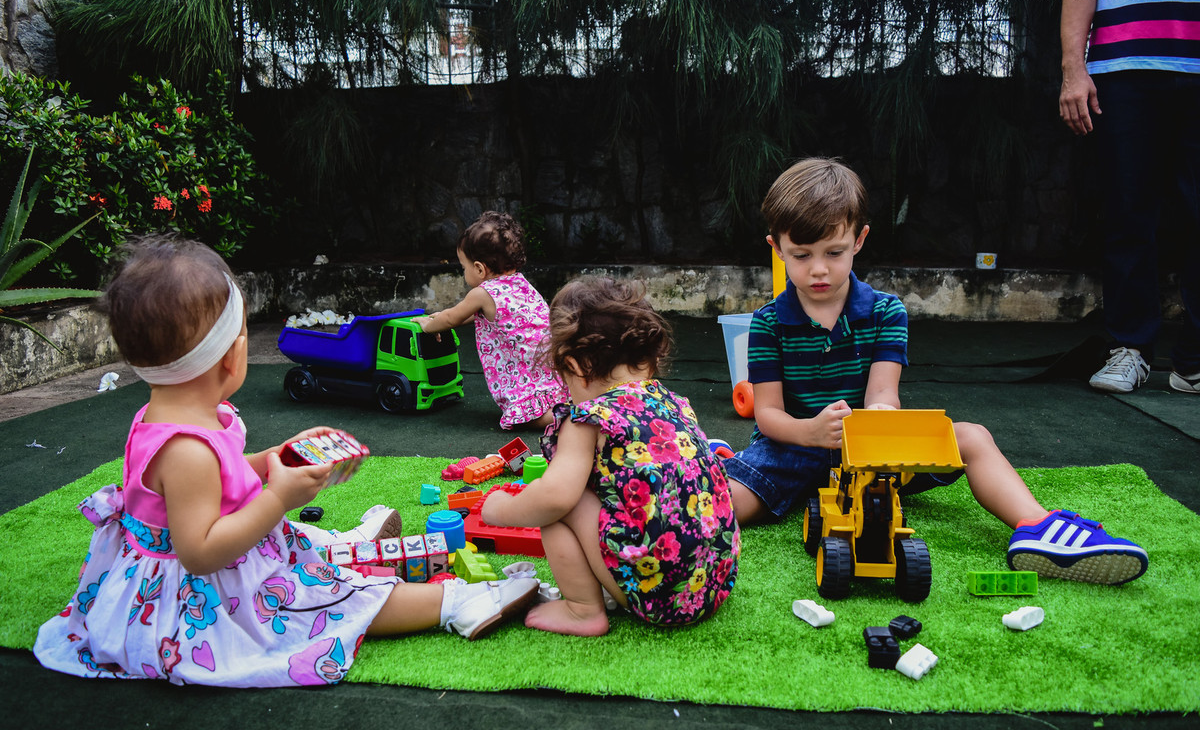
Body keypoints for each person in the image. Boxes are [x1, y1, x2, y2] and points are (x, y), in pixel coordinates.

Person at [33, 237, 538, 688]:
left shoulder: (170, 414)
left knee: (304, 549)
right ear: (232, 357)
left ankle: (350, 547)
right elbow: (201, 553)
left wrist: (273, 459)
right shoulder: (185, 449)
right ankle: (458, 604)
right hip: (202, 596)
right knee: (328, 598)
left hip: (217, 558)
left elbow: (222, 477)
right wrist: (279, 497)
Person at [723, 158, 1148, 584]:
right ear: (776, 248)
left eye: (834, 252)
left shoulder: (886, 312)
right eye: (801, 255)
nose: (819, 268)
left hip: (872, 455)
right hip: (791, 449)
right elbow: (768, 415)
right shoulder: (768, 323)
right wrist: (811, 432)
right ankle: (714, 466)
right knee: (720, 510)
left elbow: (884, 394)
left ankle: (1037, 527)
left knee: (971, 437)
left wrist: (880, 422)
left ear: (859, 240)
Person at [481, 277, 740, 636]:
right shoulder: (672, 402)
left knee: (559, 506)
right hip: (714, 581)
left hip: (658, 595)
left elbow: (556, 497)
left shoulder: (588, 418)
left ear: (574, 366)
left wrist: (500, 510)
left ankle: (583, 609)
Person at [1059, 0, 1200, 394]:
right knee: (1128, 212)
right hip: (1122, 68)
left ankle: (1195, 362)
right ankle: (1130, 348)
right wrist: (1072, 70)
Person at [415, 211, 569, 429]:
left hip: (525, 371)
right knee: (549, 398)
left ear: (479, 268)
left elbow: (452, 319)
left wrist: (429, 326)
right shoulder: (520, 283)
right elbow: (475, 315)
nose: (463, 272)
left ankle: (564, 419)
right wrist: (444, 315)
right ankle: (563, 408)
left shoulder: (482, 293)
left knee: (531, 418)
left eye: (463, 267)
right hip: (544, 364)